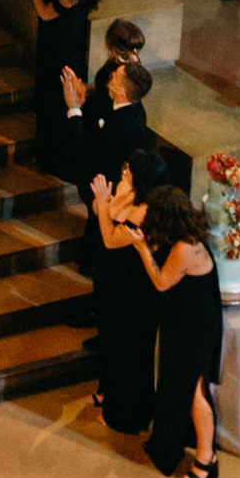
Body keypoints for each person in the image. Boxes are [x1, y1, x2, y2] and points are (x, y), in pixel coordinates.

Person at [124, 184, 223, 478]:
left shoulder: (183, 249)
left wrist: (141, 248)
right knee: (181, 387)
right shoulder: (185, 230)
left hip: (193, 327)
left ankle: (207, 458)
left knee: (194, 392)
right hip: (188, 320)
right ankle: (182, 448)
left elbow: (161, 281)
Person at [89, 148, 165, 435]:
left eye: (128, 172)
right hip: (113, 282)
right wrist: (103, 201)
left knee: (128, 352)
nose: (123, 174)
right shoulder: (126, 192)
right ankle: (107, 392)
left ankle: (125, 415)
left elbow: (109, 238)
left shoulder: (145, 212)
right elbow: (103, 211)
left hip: (132, 290)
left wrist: (102, 202)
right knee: (110, 340)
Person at [62, 44, 153, 270]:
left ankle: (90, 264)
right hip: (108, 175)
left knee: (98, 223)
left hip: (103, 183)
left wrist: (74, 109)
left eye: (116, 76)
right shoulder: (131, 107)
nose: (111, 75)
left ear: (121, 91)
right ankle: (87, 259)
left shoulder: (124, 126)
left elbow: (83, 149)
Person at [20, 0, 100, 177]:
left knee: (53, 98)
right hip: (62, 42)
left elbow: (45, 13)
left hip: (59, 47)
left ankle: (51, 158)